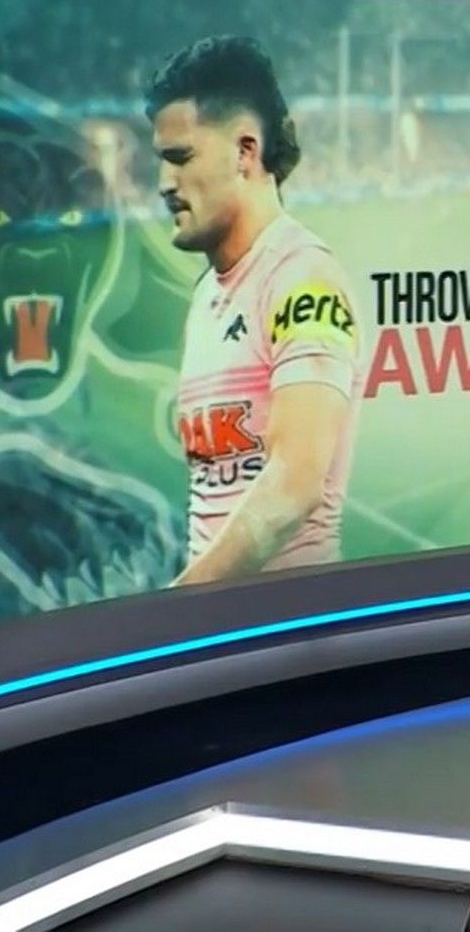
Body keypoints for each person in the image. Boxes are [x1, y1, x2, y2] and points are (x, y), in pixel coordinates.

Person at [146, 35, 363, 587]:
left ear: (245, 152)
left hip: (292, 624)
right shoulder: (208, 296)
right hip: (224, 622)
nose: (164, 184)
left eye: (180, 158)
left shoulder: (302, 279)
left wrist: (180, 607)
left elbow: (293, 485)